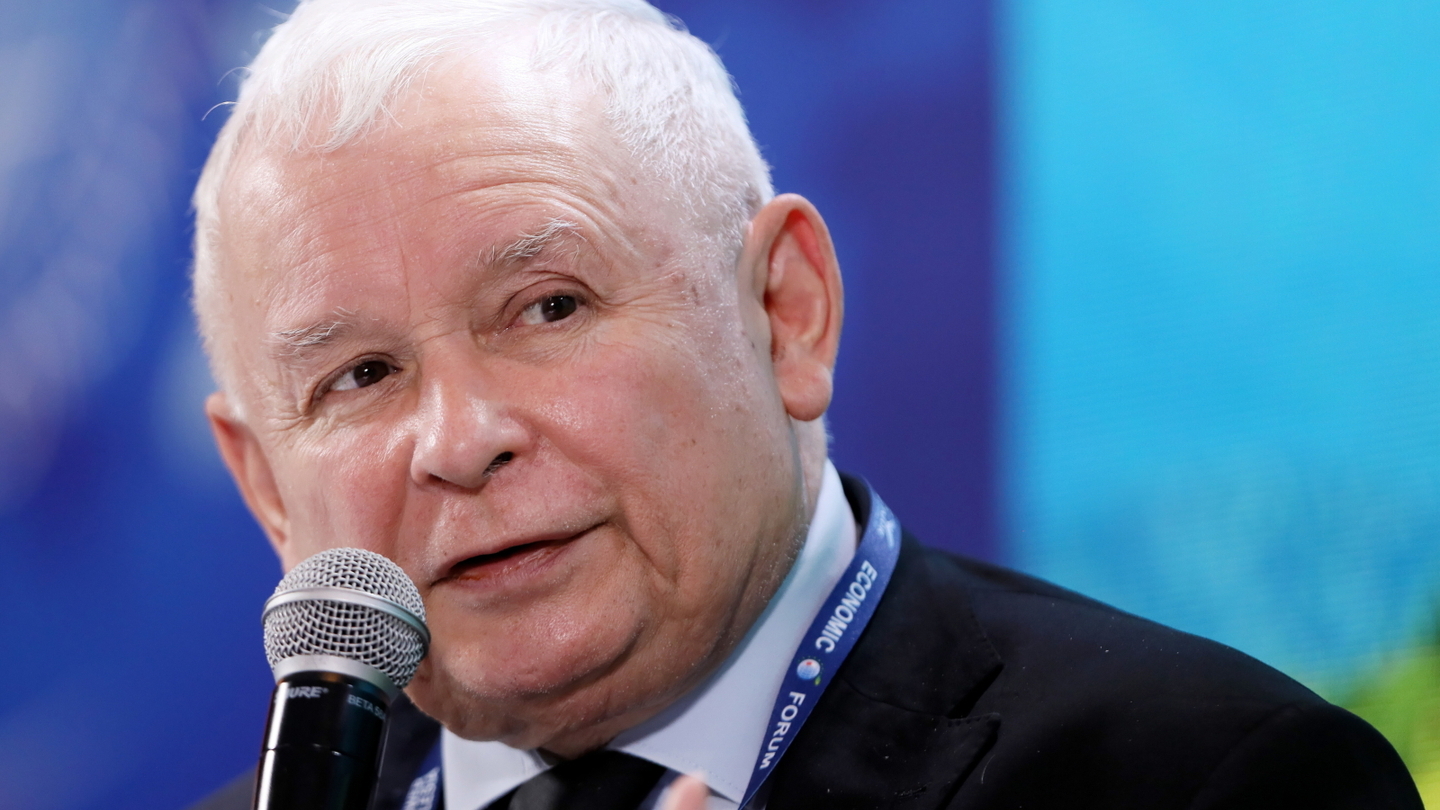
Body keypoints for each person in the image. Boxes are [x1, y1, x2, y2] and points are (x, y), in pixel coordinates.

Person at [187, 1, 1422, 809]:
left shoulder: (1213, 783)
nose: (460, 441)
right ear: (266, 489)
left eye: (549, 307)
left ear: (786, 312)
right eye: (360, 377)